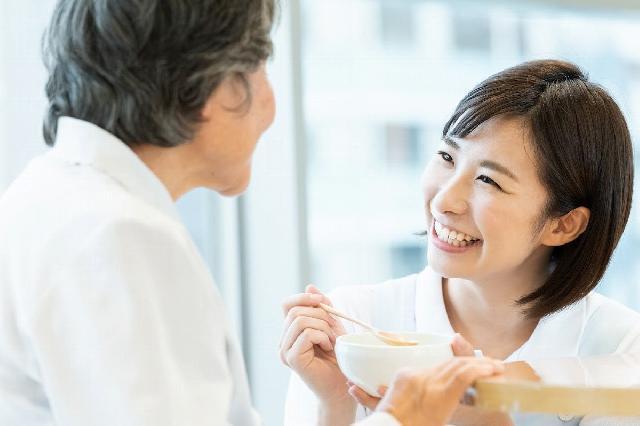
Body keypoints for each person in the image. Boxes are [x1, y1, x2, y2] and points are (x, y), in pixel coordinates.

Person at [0, 1, 504, 425]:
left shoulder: (48, 197)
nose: (270, 104)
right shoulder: (119, 235)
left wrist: (332, 405)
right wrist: (401, 419)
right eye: (261, 66)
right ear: (206, 85)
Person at [281, 60, 640, 425]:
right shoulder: (354, 328)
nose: (443, 202)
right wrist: (335, 406)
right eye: (446, 157)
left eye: (488, 181)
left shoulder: (621, 350)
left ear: (563, 225)